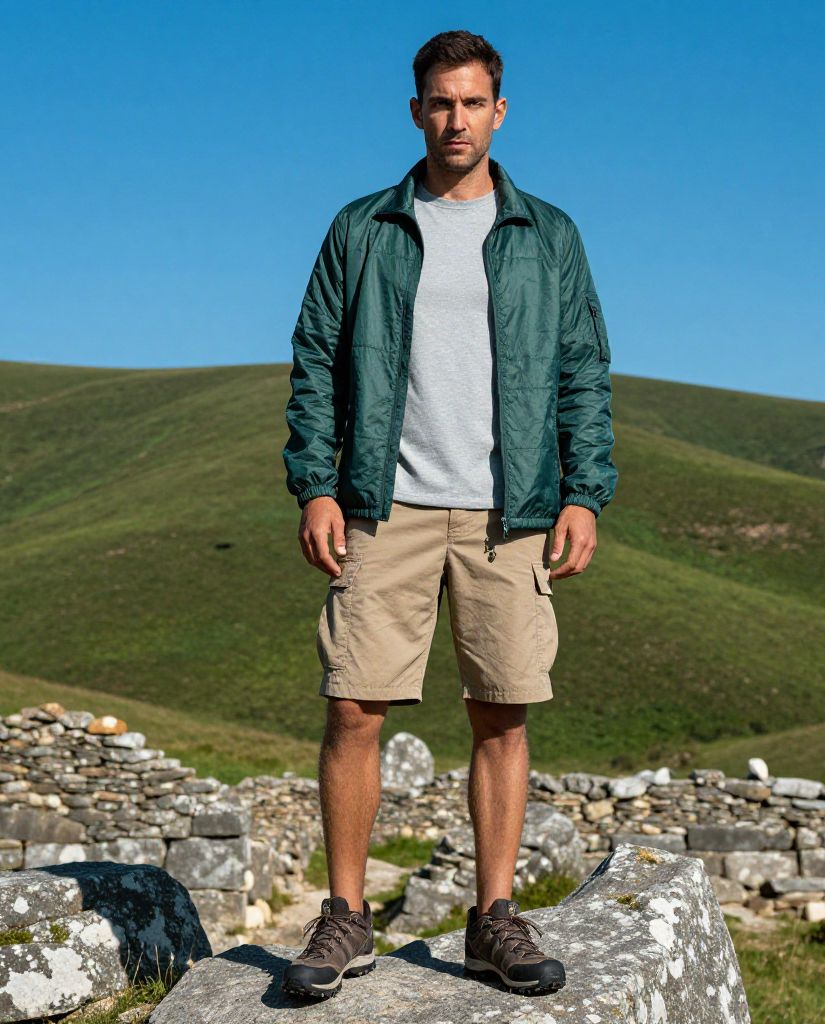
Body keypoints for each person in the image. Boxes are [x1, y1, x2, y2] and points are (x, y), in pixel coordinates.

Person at [280, 28, 617, 1000]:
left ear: (498, 111)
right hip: (383, 501)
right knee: (352, 704)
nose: (455, 119)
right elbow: (314, 360)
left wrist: (583, 491)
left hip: (508, 508)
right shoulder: (364, 227)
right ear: (415, 110)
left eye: (473, 103)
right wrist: (316, 481)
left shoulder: (546, 234)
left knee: (500, 710)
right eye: (439, 102)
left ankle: (493, 918)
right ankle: (346, 918)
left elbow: (581, 370)